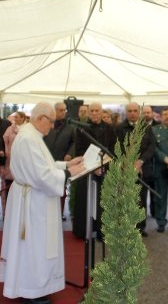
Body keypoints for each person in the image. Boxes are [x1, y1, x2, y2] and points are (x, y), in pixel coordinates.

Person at [0, 102, 84, 303]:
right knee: (33, 246)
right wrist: (70, 172)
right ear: (40, 119)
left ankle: (32, 286)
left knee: (34, 246)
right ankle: (31, 290)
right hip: (32, 202)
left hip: (32, 198)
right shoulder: (29, 139)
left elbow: (42, 165)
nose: (53, 126)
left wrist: (66, 164)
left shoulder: (31, 136)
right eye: (52, 121)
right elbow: (41, 176)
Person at [73, 102, 116, 239]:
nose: (95, 113)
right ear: (88, 112)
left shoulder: (110, 129)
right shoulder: (81, 129)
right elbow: (79, 150)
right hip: (87, 171)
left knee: (103, 203)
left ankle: (101, 232)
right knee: (84, 201)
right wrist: (93, 168)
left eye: (97, 110)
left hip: (105, 170)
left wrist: (103, 166)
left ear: (101, 111)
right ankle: (82, 232)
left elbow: (113, 150)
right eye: (92, 110)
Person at [116, 102, 156, 237]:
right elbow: (117, 147)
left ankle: (140, 227)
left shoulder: (146, 128)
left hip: (143, 169)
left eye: (135, 111)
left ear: (139, 112)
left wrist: (140, 161)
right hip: (125, 169)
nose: (132, 113)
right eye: (130, 111)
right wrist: (128, 163)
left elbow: (151, 146)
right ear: (126, 112)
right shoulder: (120, 128)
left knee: (141, 199)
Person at [44, 102, 76, 219]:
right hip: (47, 161)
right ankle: (47, 213)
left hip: (62, 160)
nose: (64, 112)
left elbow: (74, 142)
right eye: (61, 110)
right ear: (55, 111)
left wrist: (70, 153)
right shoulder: (48, 124)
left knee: (61, 189)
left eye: (65, 110)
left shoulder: (70, 126)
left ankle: (59, 214)